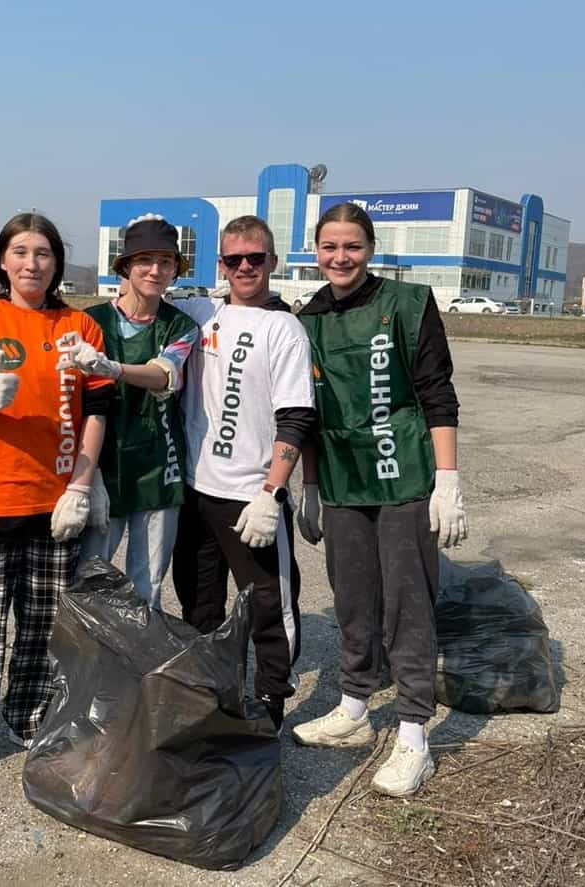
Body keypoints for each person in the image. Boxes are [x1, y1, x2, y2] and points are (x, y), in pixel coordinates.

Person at [290, 202, 468, 797]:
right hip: (342, 483)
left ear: (370, 248)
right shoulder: (306, 319)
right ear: (316, 252)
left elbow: (438, 394)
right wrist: (310, 486)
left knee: (407, 602)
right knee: (353, 596)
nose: (341, 258)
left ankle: (414, 732)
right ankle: (354, 705)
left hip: (403, 477)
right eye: (330, 247)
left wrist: (448, 480)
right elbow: (304, 415)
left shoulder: (408, 305)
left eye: (353, 246)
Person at [0, 213, 112, 786]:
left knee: (42, 626)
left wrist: (82, 486)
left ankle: (27, 713)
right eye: (20, 251)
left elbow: (98, 412)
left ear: (57, 262)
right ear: (2, 261)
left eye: (43, 253)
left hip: (52, 502)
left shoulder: (80, 326)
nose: (31, 263)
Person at [170, 215, 316, 731]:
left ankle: (270, 705)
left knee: (269, 607)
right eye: (235, 259)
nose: (246, 267)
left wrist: (273, 493)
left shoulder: (285, 329)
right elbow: (141, 296)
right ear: (221, 265)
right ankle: (213, 695)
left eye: (256, 258)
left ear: (272, 262)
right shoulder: (199, 312)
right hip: (195, 491)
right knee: (198, 603)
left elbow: (296, 417)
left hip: (250, 496)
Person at [60, 215, 199, 608]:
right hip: (104, 463)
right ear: (125, 266)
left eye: (166, 262)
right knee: (90, 579)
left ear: (176, 269)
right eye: (145, 260)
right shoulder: (91, 322)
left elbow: (163, 375)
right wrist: (90, 477)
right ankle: (85, 668)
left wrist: (113, 368)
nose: (155, 270)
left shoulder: (182, 327)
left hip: (160, 465)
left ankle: (139, 666)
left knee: (148, 583)